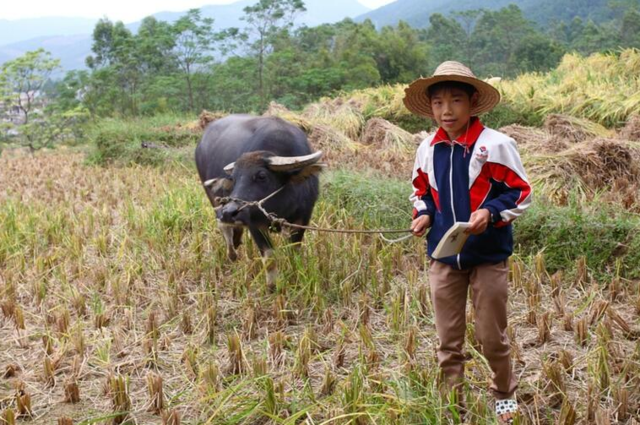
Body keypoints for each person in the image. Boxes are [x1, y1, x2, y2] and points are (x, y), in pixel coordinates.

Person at [403, 61, 532, 424]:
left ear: (473, 103)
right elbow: (421, 191)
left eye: (456, 100)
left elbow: (519, 192)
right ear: (430, 108)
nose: (447, 110)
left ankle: (504, 396)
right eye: (439, 103)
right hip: (443, 256)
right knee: (448, 339)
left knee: (492, 336)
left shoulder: (495, 146)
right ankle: (452, 402)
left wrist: (489, 213)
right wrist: (424, 214)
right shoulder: (427, 148)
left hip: (488, 256)